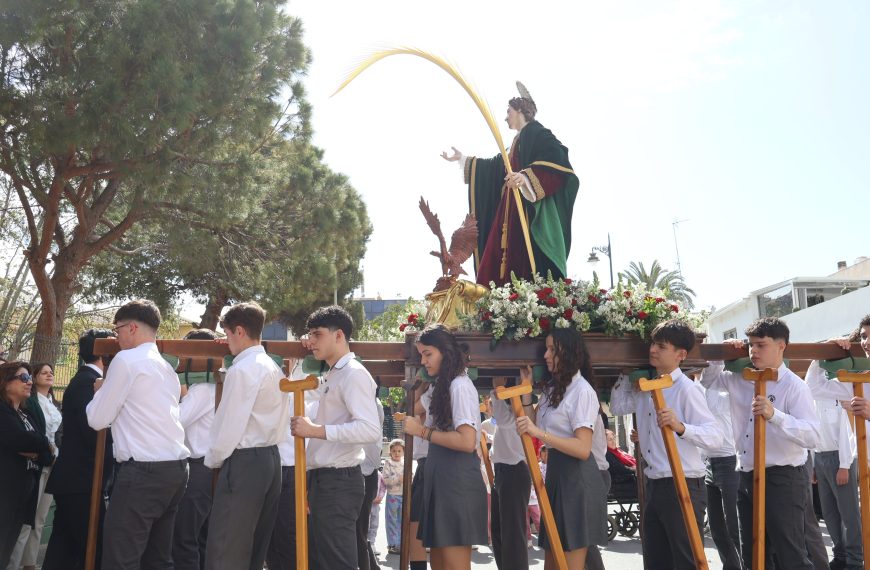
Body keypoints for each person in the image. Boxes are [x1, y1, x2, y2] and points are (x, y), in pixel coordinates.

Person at [700, 317, 820, 569]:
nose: (753, 350)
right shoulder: (739, 378)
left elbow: (812, 435)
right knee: (753, 555)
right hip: (746, 476)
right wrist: (720, 354)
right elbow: (708, 381)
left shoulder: (794, 386)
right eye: (750, 345)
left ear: (781, 346)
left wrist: (775, 415)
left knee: (791, 555)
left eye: (761, 345)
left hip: (783, 478)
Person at [611, 320, 723, 570]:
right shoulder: (644, 388)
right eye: (652, 344)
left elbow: (715, 436)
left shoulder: (687, 390)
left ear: (681, 355)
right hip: (654, 484)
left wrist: (680, 426)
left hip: (682, 483)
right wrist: (625, 370)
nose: (653, 350)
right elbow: (618, 407)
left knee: (685, 561)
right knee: (656, 560)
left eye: (661, 346)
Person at [87, 300, 190, 569]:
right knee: (158, 558)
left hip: (144, 473)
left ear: (132, 327)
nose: (116, 336)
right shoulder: (167, 368)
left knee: (121, 558)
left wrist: (99, 391)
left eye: (118, 328)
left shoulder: (127, 359)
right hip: (175, 470)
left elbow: (97, 419)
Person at [442, 83, 579, 286]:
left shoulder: (537, 133)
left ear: (521, 110)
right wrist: (463, 159)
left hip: (526, 210)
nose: (506, 117)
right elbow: (497, 166)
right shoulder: (517, 141)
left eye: (509, 111)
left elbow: (556, 161)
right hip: (509, 210)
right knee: (499, 258)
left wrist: (525, 178)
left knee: (525, 256)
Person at [291, 305, 381, 570]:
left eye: (317, 334)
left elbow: (370, 430)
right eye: (309, 335)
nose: (311, 341)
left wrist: (316, 430)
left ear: (339, 335)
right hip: (326, 481)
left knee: (337, 563)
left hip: (338, 481)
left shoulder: (353, 373)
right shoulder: (335, 373)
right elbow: (297, 393)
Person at [513, 327, 607, 570]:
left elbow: (583, 448)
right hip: (556, 477)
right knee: (552, 563)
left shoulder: (582, 391)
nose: (545, 354)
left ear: (568, 353)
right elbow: (534, 423)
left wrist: (539, 434)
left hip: (577, 480)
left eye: (552, 349)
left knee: (570, 564)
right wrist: (526, 390)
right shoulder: (552, 389)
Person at [204, 302, 289, 570]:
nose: (226, 341)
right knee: (254, 548)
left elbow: (229, 426)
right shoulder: (272, 366)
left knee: (226, 549)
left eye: (228, 334)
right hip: (270, 459)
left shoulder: (242, 369)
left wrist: (213, 460)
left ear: (239, 331)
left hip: (244, 461)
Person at [402, 324, 488, 570]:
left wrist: (421, 431)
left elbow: (466, 440)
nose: (423, 360)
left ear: (445, 352)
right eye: (421, 355)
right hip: (442, 480)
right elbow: (412, 410)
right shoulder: (443, 385)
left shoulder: (459, 385)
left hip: (456, 482)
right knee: (440, 564)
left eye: (428, 354)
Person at [42, 329, 115, 570]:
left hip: (78, 480)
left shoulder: (86, 380)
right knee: (90, 546)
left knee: (64, 546)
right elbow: (93, 431)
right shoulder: (87, 383)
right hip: (81, 480)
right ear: (102, 354)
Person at [802, 315, 868, 570]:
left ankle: (854, 559)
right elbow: (814, 387)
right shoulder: (853, 382)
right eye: (863, 336)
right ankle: (846, 558)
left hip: (845, 459)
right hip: (845, 459)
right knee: (836, 514)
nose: (866, 342)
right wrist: (820, 354)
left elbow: (847, 429)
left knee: (851, 516)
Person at [172, 328, 220, 570]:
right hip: (208, 468)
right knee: (200, 538)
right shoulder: (213, 387)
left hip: (199, 468)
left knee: (184, 538)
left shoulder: (202, 390)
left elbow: (176, 421)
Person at [8, 363, 62, 570]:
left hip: (54, 464)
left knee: (39, 519)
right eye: (43, 372)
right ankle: (13, 563)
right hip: (38, 464)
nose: (49, 375)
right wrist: (45, 451)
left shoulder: (54, 403)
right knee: (25, 521)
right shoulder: (30, 403)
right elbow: (34, 436)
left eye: (51, 372)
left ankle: (29, 562)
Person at [0, 362, 50, 568]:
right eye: (23, 378)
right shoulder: (3, 411)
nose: (29, 382)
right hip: (5, 493)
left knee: (7, 548)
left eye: (29, 377)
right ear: (5, 383)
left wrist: (39, 448)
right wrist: (41, 444)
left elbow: (45, 450)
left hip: (24, 492)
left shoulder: (27, 413)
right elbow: (18, 439)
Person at [698, 368, 742, 570]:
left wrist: (719, 353)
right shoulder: (698, 388)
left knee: (735, 526)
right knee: (716, 527)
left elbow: (714, 369)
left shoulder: (729, 388)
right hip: (709, 462)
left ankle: (746, 565)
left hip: (729, 460)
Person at [489, 377, 532, 569]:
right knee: (499, 531)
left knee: (512, 533)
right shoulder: (506, 409)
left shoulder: (519, 411)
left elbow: (505, 422)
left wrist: (496, 389)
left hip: (514, 471)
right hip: (504, 471)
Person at [357, 395, 385, 570]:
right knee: (358, 531)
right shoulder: (373, 403)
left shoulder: (372, 403)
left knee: (358, 531)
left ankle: (367, 565)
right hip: (365, 471)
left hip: (363, 472)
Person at [408, 381, 434, 570]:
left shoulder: (435, 389)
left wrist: (420, 382)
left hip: (430, 462)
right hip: (424, 464)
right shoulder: (431, 389)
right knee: (414, 523)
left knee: (417, 524)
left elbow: (412, 407)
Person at [382, 438, 405, 555]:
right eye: (394, 451)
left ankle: (401, 544)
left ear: (403, 452)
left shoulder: (405, 463)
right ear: (390, 452)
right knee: (392, 520)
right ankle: (392, 544)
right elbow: (385, 480)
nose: (396, 453)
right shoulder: (388, 463)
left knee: (402, 521)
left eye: (399, 451)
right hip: (393, 496)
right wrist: (397, 479)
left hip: (404, 495)